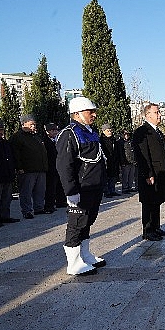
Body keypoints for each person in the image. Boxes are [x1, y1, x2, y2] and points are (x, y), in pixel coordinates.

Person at [56, 97, 106, 275]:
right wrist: (71, 191)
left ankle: (85, 255)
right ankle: (74, 263)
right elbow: (64, 165)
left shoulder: (91, 131)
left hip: (94, 185)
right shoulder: (69, 133)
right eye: (89, 111)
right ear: (77, 113)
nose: (94, 114)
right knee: (76, 223)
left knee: (87, 222)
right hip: (81, 188)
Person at [133, 103, 165, 241]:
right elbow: (142, 155)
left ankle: (156, 227)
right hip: (150, 174)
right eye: (156, 112)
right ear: (148, 115)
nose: (159, 115)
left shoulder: (157, 131)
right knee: (148, 202)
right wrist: (148, 173)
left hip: (160, 172)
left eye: (159, 112)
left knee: (157, 201)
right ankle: (148, 230)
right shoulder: (142, 132)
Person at [9, 114, 48, 219]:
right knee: (26, 191)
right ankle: (27, 211)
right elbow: (16, 154)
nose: (33, 126)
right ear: (23, 124)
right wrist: (19, 167)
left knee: (40, 190)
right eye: (31, 124)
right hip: (27, 169)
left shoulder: (36, 136)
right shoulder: (17, 137)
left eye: (34, 124)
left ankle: (39, 208)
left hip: (40, 168)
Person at [43, 123, 67, 213]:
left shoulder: (58, 140)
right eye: (53, 130)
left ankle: (60, 201)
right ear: (47, 132)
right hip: (50, 166)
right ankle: (49, 205)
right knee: (51, 187)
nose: (55, 132)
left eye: (56, 130)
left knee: (60, 185)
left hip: (59, 166)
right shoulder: (45, 141)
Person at [100, 123, 120, 197]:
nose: (110, 132)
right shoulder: (101, 140)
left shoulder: (113, 139)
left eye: (111, 130)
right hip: (106, 161)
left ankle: (112, 190)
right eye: (108, 130)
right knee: (106, 177)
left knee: (113, 176)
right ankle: (106, 191)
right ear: (104, 131)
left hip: (113, 160)